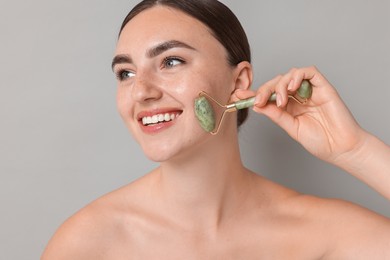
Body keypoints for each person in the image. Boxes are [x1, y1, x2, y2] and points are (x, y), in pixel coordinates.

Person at [42, 0, 390, 259]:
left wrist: (355, 150)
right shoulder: (87, 243)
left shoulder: (323, 234)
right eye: (126, 73)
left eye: (171, 61)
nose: (141, 91)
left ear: (238, 81)